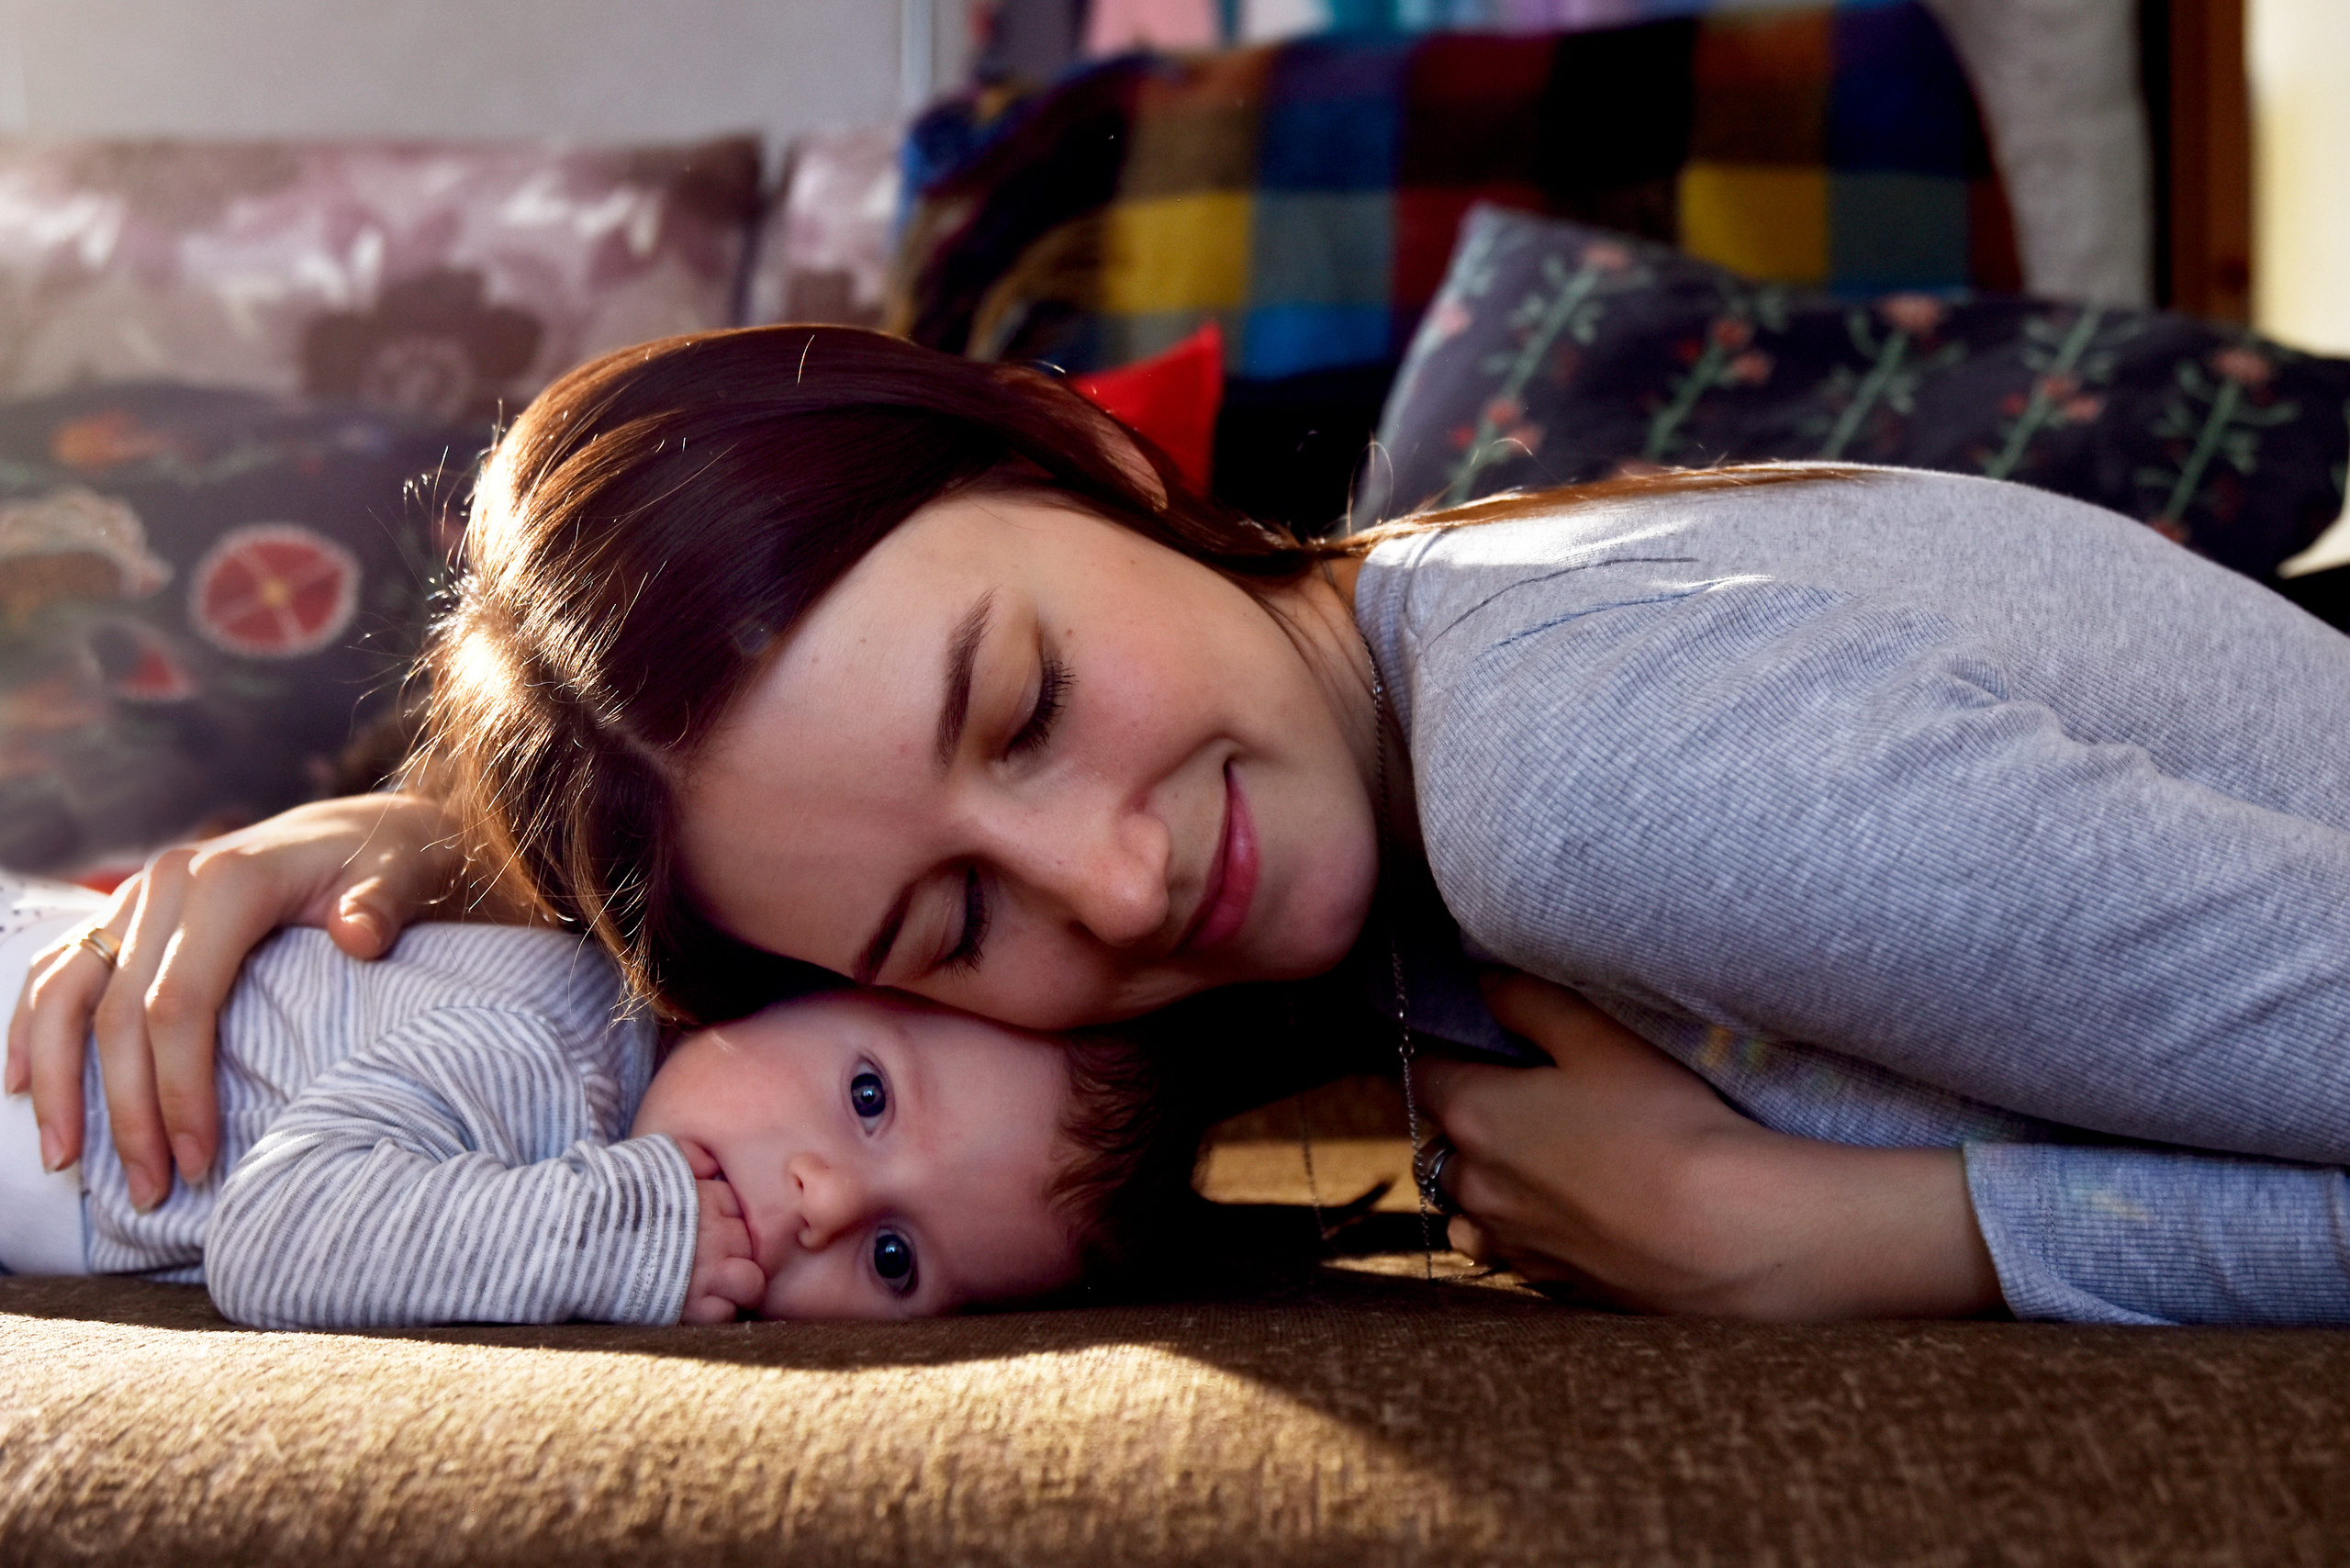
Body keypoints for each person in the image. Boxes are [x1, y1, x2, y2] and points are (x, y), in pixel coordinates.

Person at [22, 325, 2350, 1327]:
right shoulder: (1454, 655)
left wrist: (1887, 1240)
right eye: (947, 924)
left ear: (1087, 453)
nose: (1120, 886)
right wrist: (455, 841)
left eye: (1024, 697)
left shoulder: (1576, 782)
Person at [0, 872, 1198, 1327]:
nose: (826, 1200)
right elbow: (273, 1237)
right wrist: (622, 1235)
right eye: (869, 1095)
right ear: (782, 983)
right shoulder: (544, 1053)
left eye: (896, 1261)